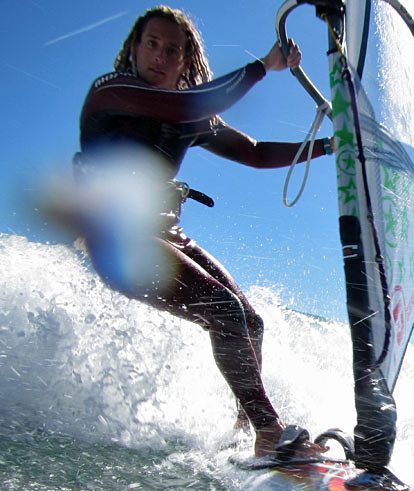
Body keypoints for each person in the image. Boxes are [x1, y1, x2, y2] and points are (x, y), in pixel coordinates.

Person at [63, 6, 333, 456]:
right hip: (115, 237)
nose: (160, 56)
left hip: (163, 233)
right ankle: (270, 433)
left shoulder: (191, 115)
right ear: (134, 48)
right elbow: (187, 103)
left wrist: (328, 146)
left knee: (251, 321)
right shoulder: (111, 93)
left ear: (186, 60)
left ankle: (248, 431)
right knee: (223, 310)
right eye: (151, 44)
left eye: (173, 49)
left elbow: (254, 151)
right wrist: (264, 66)